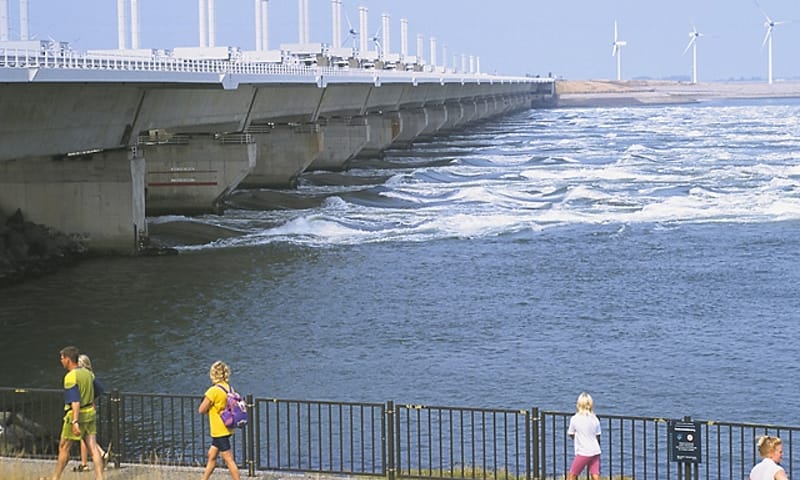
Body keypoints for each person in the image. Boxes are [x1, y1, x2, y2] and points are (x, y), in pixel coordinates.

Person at [45, 346, 104, 480]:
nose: (61, 361)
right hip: (90, 413)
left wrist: (75, 421)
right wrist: (91, 401)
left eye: (62, 358)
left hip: (76, 415)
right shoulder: (88, 374)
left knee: (64, 447)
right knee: (93, 448)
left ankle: (55, 477)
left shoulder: (70, 377)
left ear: (68, 359)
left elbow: (75, 401)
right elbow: (99, 391)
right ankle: (100, 477)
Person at [198, 360, 242, 480]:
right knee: (211, 455)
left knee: (228, 460)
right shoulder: (229, 388)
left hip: (219, 430)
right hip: (228, 427)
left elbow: (201, 409)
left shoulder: (213, 391)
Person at [73, 354, 111, 473]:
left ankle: (100, 454)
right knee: (85, 436)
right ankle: (85, 463)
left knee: (85, 437)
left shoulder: (84, 377)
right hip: (90, 407)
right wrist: (93, 400)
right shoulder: (91, 376)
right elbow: (100, 390)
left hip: (84, 409)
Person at [567, 392, 601, 480]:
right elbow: (597, 435)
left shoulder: (575, 419)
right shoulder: (595, 419)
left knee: (572, 475)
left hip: (583, 451)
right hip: (595, 450)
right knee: (595, 474)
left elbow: (571, 433)